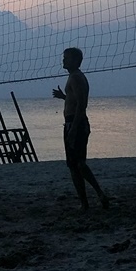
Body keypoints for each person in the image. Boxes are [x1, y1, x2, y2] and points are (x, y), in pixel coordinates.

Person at [52, 46, 109, 209]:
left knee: (77, 164)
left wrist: (74, 129)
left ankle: (94, 197)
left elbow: (82, 105)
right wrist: (64, 97)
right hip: (74, 122)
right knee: (75, 164)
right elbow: (75, 100)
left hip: (76, 123)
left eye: (66, 58)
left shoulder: (76, 77)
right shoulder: (74, 77)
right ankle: (90, 199)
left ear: (76, 60)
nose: (63, 60)